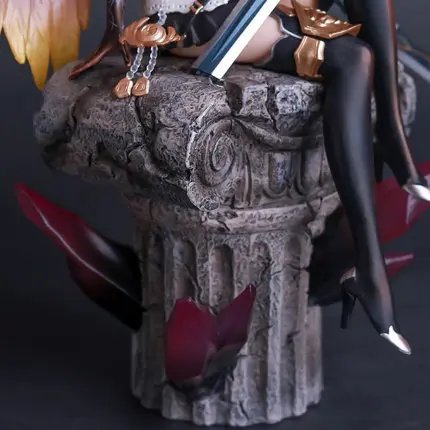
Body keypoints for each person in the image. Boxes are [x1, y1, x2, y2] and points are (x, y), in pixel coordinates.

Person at [129, 0, 429, 356]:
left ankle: (391, 131)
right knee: (351, 57)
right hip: (202, 15)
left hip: (265, 6)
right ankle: (369, 267)